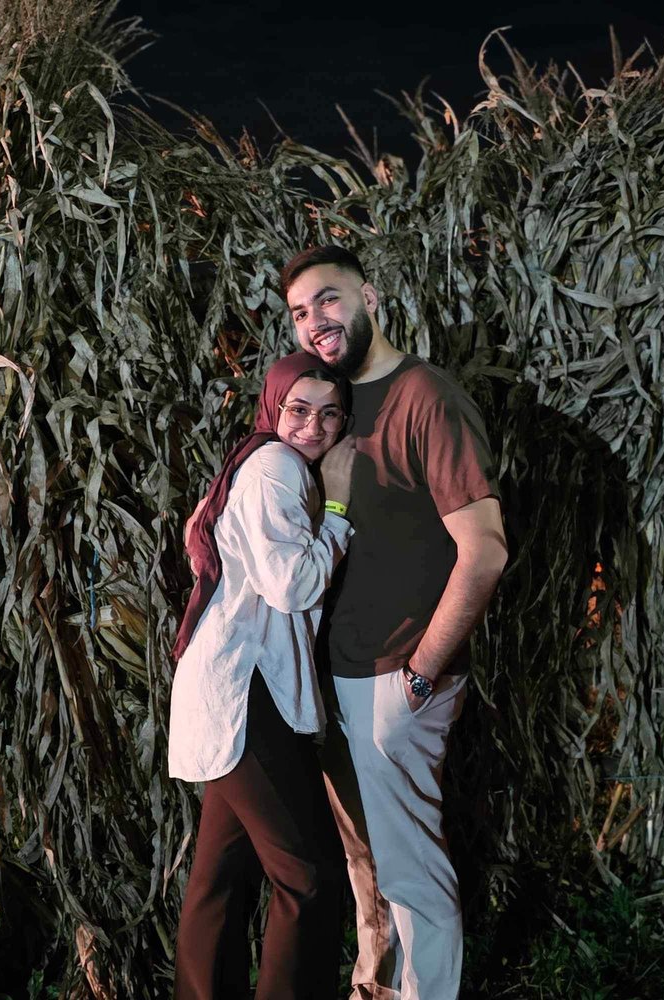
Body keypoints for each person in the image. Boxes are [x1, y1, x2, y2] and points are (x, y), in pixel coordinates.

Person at [281, 245, 509, 1000]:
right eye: (300, 312)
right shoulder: (333, 404)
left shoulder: (425, 398)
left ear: (370, 296)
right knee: (371, 860)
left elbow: (485, 551)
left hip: (395, 677)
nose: (316, 321)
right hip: (342, 675)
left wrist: (420, 673)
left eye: (329, 299)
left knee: (411, 867)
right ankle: (378, 983)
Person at [168, 351, 356, 1000]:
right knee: (308, 876)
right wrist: (338, 511)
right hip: (250, 692)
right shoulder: (278, 467)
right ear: (274, 405)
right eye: (299, 409)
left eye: (330, 414)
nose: (313, 426)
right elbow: (291, 584)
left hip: (230, 683)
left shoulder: (251, 460)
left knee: (220, 877)